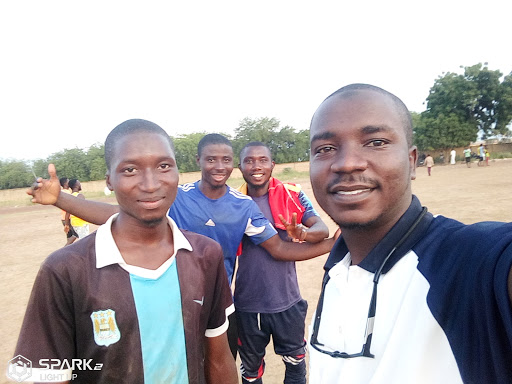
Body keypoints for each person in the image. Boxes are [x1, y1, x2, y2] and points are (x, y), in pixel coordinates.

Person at [27, 133, 335, 360]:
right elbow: (121, 215)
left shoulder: (243, 207)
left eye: (226, 160)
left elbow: (279, 249)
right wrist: (60, 199)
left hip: (220, 306)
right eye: (211, 159)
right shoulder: (178, 196)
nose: (219, 165)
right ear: (198, 161)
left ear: (233, 166)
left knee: (221, 366)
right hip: (172, 302)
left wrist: (333, 243)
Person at [307, 83, 512, 383]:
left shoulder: (470, 263)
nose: (347, 162)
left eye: (376, 142)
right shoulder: (338, 268)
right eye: (325, 149)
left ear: (412, 161)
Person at [14, 119, 238, 384]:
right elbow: (49, 375)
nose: (151, 183)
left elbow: (219, 358)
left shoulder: (205, 255)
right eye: (130, 170)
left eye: (164, 166)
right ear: (110, 180)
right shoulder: (65, 269)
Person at [235, 142, 330, 384]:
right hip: (248, 305)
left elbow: (321, 229)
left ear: (272, 165)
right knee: (251, 372)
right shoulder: (234, 202)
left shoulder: (292, 194)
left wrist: (302, 232)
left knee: (296, 366)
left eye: (263, 160)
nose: (256, 166)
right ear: (240, 167)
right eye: (249, 161)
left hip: (288, 301)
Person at [59, 177, 78, 245]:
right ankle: (65, 249)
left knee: (70, 236)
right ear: (65, 184)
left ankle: (68, 249)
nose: (69, 182)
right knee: (75, 235)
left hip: (64, 217)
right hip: (67, 217)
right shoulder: (66, 192)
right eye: (68, 181)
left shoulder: (62, 192)